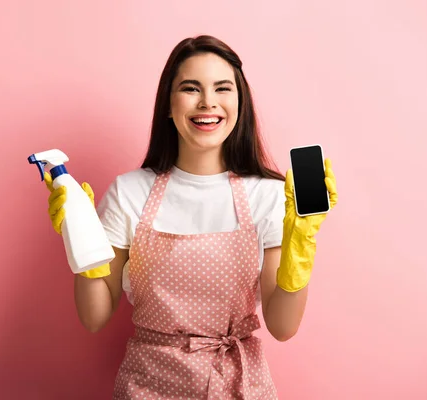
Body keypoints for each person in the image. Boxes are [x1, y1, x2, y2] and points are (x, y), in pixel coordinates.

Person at [44, 35, 338, 399]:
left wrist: (300, 248)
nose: (208, 103)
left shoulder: (268, 195)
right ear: (168, 104)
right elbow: (94, 317)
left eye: (222, 88)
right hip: (147, 387)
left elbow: (282, 326)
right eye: (190, 88)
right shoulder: (128, 193)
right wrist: (81, 240)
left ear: (240, 102)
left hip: (239, 386)